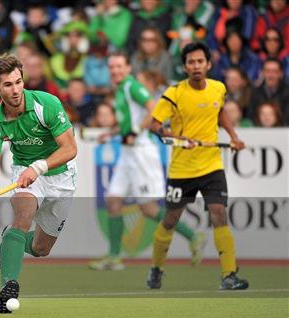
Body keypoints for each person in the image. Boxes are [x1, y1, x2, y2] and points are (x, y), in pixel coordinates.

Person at [146, 42, 248, 290]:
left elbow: (220, 112)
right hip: (182, 170)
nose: (196, 66)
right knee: (170, 220)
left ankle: (228, 275)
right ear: (185, 67)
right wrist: (176, 137)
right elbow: (155, 125)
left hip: (212, 165)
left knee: (219, 213)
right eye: (191, 62)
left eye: (200, 61)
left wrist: (233, 136)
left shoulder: (218, 88)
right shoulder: (174, 93)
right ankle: (156, 269)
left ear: (208, 64)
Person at [89, 53, 204, 271]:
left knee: (148, 209)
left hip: (141, 153)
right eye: (112, 67)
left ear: (128, 68)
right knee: (113, 202)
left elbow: (154, 108)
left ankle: (193, 236)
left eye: (119, 66)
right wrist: (112, 132)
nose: (115, 70)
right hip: (127, 153)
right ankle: (114, 256)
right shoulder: (121, 88)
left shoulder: (132, 86)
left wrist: (136, 130)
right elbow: (129, 119)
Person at [0, 54, 77, 313]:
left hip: (60, 174)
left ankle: (8, 244)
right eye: (8, 85)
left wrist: (40, 166)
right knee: (22, 217)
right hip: (24, 171)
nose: (15, 90)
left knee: (41, 248)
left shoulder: (46, 104)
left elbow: (69, 149)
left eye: (18, 82)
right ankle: (7, 289)